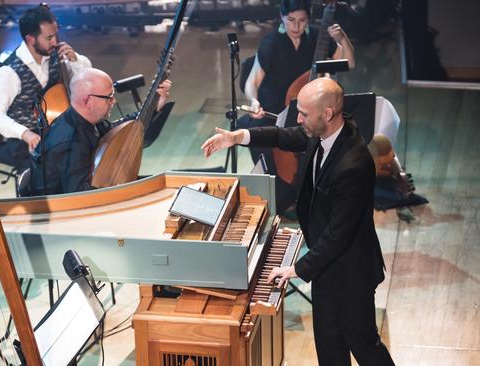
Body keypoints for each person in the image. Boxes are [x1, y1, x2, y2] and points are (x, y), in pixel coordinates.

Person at [202, 78, 395, 366]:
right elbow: (282, 136)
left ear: (327, 114)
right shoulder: (320, 134)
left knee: (363, 344)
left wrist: (295, 268)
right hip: (326, 267)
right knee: (329, 345)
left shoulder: (353, 164)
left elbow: (338, 235)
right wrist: (237, 137)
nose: (298, 119)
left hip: (352, 272)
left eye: (304, 113)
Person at [239, 0, 355, 214]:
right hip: (272, 112)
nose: (296, 26)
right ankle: (281, 191)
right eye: (291, 20)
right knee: (261, 138)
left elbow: (348, 63)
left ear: (308, 20)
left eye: (302, 21)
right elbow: (252, 81)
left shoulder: (316, 37)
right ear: (282, 18)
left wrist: (341, 39)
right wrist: (254, 101)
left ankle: (314, 190)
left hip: (304, 111)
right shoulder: (272, 42)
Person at [29, 68, 171, 195]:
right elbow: (79, 195)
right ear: (87, 101)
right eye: (109, 97)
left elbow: (116, 130)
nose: (114, 101)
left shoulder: (86, 120)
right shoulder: (70, 142)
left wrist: (153, 107)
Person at [0, 4, 91, 172]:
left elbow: (86, 78)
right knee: (53, 167)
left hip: (56, 129)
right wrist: (25, 134)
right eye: (49, 38)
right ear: (30, 39)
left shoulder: (57, 54)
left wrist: (75, 60)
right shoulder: (9, 72)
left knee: (87, 147)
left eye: (55, 34)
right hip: (25, 139)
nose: (55, 41)